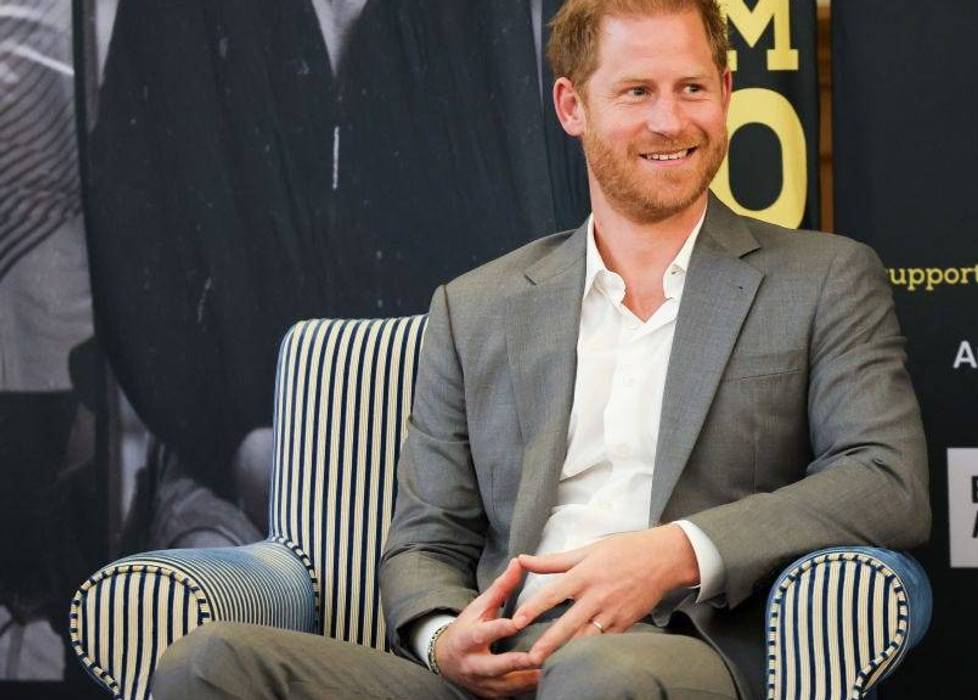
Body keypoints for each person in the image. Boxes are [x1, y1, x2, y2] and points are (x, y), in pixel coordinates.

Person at [152, 1, 929, 698]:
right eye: (636, 92)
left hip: (672, 650)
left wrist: (676, 553)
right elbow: (427, 539)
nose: (670, 121)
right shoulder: (477, 306)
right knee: (206, 660)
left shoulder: (821, 278)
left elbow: (885, 480)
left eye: (691, 88)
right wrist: (442, 639)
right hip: (493, 662)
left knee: (595, 673)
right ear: (571, 106)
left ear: (726, 93)